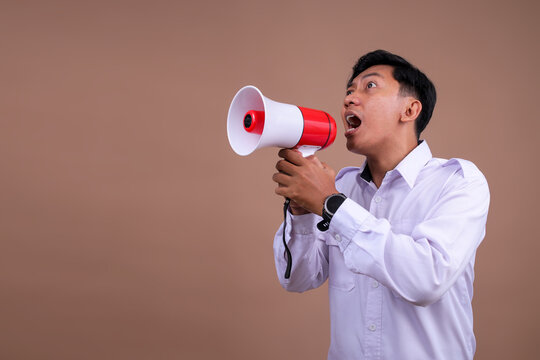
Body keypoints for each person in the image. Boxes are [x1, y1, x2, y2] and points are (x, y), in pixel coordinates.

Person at [271, 49, 490, 360]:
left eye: (369, 86)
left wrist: (331, 205)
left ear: (410, 109)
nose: (349, 99)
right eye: (348, 91)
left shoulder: (458, 182)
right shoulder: (342, 187)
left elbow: (427, 279)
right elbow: (297, 279)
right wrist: (302, 211)